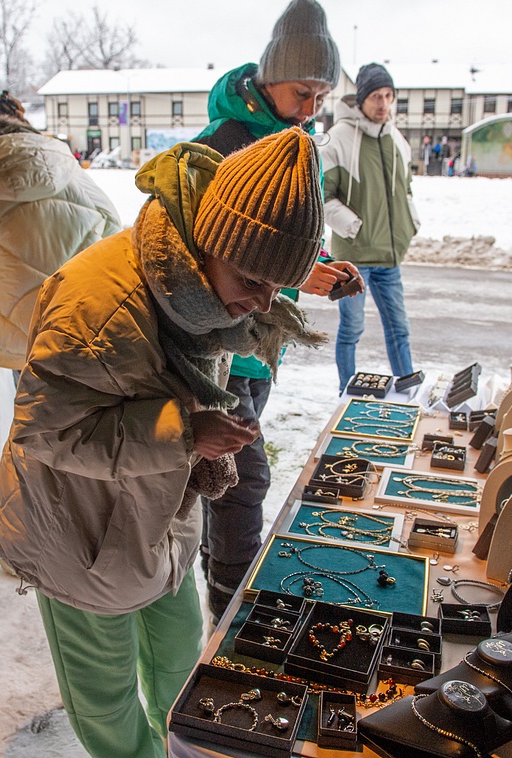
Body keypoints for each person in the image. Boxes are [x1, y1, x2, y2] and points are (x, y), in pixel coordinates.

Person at [0, 128, 327, 758]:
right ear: (211, 243)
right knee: (107, 697)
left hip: (159, 521)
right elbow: (47, 429)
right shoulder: (99, 308)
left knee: (180, 670)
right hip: (80, 534)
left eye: (278, 288)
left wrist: (199, 449)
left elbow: (197, 371)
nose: (261, 304)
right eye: (255, 280)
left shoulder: (206, 297)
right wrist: (183, 433)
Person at [193, 0, 359, 622]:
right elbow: (208, 253)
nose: (311, 107)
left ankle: (216, 573)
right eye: (301, 91)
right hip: (219, 337)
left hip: (264, 345)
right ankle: (230, 610)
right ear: (268, 77)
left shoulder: (303, 145)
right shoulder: (223, 144)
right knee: (243, 476)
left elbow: (295, 238)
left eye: (322, 95)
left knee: (224, 474)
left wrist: (315, 268)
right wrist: (292, 273)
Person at [0, 92, 121, 372]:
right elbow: (112, 226)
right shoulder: (69, 169)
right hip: (83, 324)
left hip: (23, 336)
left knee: (34, 413)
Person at [319, 62, 421, 391]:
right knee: (351, 329)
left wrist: (411, 222)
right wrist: (354, 227)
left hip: (389, 256)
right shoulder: (338, 138)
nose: (383, 103)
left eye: (389, 96)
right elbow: (323, 196)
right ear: (361, 99)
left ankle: (408, 390)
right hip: (354, 255)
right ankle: (346, 391)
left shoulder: (396, 140)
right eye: (376, 96)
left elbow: (406, 190)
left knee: (399, 328)